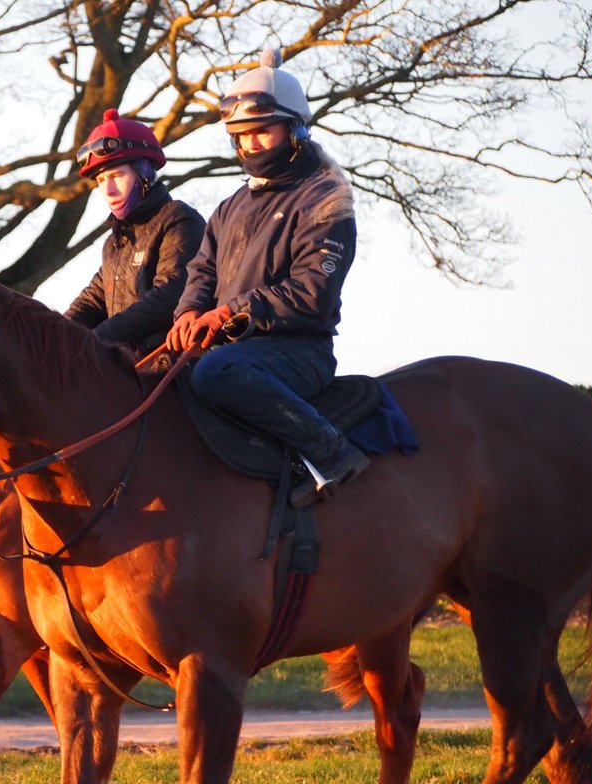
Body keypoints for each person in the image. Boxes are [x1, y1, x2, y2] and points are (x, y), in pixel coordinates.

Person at [166, 48, 367, 507]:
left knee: (217, 370)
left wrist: (231, 312)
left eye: (262, 131)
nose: (250, 143)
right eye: (241, 135)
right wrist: (189, 311)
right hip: (236, 345)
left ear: (294, 129)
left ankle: (329, 453)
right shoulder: (229, 206)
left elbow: (312, 292)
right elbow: (202, 270)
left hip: (298, 350)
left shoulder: (325, 199)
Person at [66, 110, 205, 357]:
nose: (107, 189)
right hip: (126, 366)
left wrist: (96, 341)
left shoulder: (179, 219)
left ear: (145, 173)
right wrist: (51, 333)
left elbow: (169, 295)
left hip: (170, 363)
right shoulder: (114, 243)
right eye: (100, 181)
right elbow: (91, 302)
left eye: (117, 176)